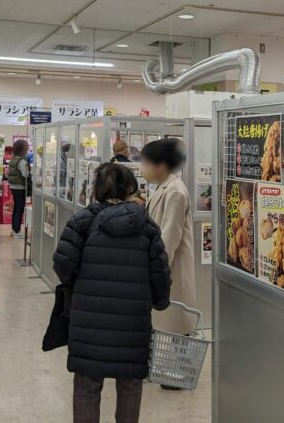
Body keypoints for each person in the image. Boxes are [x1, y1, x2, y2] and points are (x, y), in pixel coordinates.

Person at [53, 163, 171, 423]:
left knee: (87, 384)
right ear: (130, 188)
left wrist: (78, 284)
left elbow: (62, 265)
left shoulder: (81, 222)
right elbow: (160, 273)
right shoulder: (147, 227)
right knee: (130, 382)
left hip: (88, 320)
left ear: (97, 189)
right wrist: (160, 302)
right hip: (132, 321)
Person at [141, 139, 197, 356]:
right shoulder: (165, 188)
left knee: (175, 323)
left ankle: (175, 372)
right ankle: (167, 368)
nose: (142, 168)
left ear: (161, 165)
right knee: (167, 322)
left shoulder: (175, 192)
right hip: (165, 267)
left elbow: (169, 237)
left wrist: (156, 269)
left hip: (172, 268)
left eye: (145, 163)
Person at [8, 139, 29, 240]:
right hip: (20, 188)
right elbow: (25, 174)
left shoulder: (14, 158)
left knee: (16, 209)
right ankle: (17, 231)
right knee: (19, 210)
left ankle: (14, 230)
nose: (28, 148)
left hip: (13, 187)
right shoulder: (22, 161)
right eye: (26, 147)